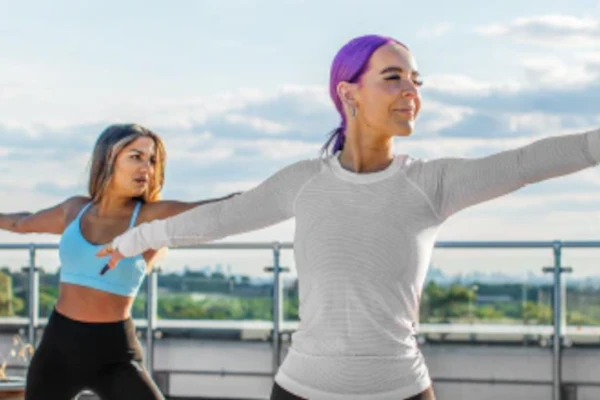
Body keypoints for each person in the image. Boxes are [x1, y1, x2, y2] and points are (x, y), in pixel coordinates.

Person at [98, 35, 600, 400]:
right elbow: (217, 219)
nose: (411, 91)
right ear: (349, 92)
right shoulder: (304, 182)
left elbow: (528, 162)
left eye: (416, 81)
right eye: (393, 77)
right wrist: (129, 241)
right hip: (302, 388)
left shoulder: (431, 183)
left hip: (399, 390)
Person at [0, 124, 237, 400]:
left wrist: (278, 195)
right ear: (108, 159)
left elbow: (219, 211)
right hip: (58, 350)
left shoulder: (151, 216)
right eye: (136, 157)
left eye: (152, 161)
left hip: (116, 353)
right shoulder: (74, 210)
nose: (147, 168)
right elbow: (19, 222)